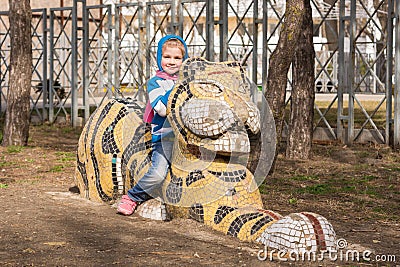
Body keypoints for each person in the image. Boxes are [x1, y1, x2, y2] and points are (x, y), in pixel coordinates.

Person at [117, 35, 189, 215]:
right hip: (165, 137)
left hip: (187, 139)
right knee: (158, 173)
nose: (171, 62)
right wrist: (177, 87)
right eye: (167, 57)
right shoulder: (155, 83)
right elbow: (161, 109)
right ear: (159, 58)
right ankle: (132, 197)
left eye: (177, 58)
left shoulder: (189, 83)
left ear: (184, 60)